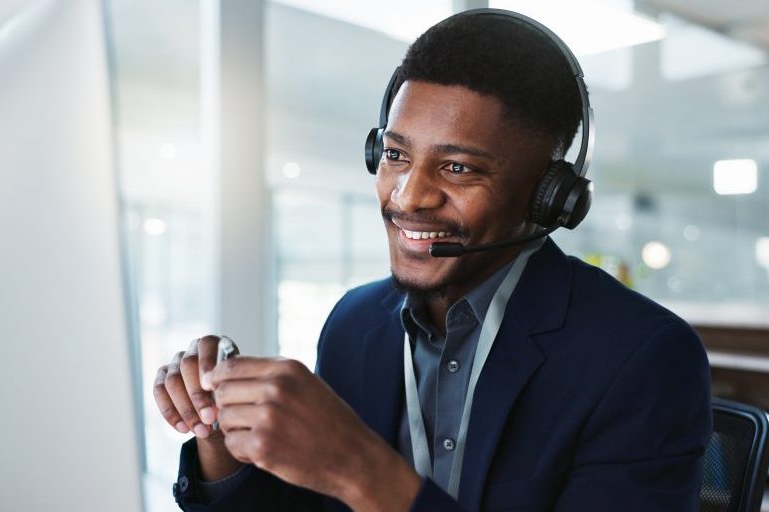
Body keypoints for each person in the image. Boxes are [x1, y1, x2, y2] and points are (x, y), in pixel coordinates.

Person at [153, 9, 712, 512]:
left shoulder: (642, 359)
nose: (407, 196)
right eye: (395, 155)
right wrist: (221, 442)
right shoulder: (354, 323)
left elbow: (352, 483)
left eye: (458, 168)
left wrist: (361, 470)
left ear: (548, 195)